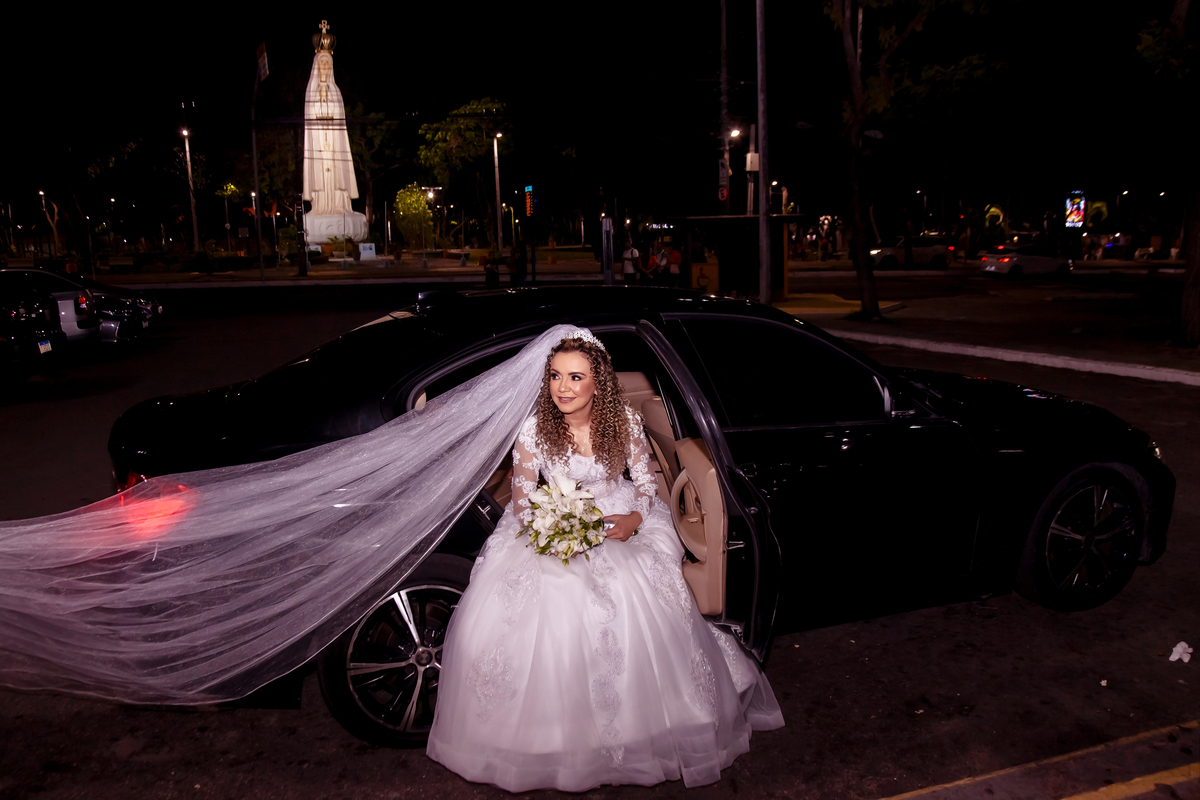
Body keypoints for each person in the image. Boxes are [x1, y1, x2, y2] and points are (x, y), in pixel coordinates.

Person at [427, 331, 783, 792]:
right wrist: (554, 528)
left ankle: (647, 728)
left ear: (600, 383)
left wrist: (635, 518)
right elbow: (521, 500)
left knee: (634, 589)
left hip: (619, 517)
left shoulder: (625, 423)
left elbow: (645, 485)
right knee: (555, 590)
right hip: (551, 522)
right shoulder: (535, 429)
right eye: (555, 376)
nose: (563, 387)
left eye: (576, 377)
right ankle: (550, 737)